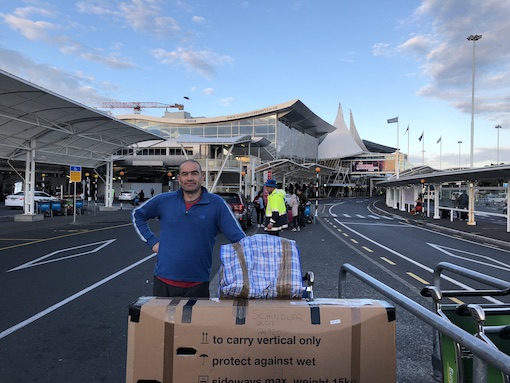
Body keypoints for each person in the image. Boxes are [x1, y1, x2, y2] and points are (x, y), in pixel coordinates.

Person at [132, 159, 246, 298]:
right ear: (179, 179)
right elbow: (138, 215)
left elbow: (239, 239)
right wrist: (152, 242)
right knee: (164, 321)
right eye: (185, 174)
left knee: (192, 320)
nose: (189, 178)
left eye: (194, 173)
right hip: (163, 282)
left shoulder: (216, 204)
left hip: (197, 284)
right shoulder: (164, 201)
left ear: (202, 177)